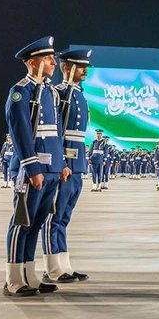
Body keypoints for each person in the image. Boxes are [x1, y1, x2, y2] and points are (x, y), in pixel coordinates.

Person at [3, 36, 65, 297]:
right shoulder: (21, 91)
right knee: (22, 223)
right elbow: (20, 133)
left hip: (51, 171)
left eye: (52, 57)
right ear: (32, 62)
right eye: (47, 58)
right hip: (33, 171)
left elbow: (56, 132)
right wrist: (31, 168)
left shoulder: (50, 92)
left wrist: (60, 164)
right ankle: (14, 279)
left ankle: (31, 275)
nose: (53, 62)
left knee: (37, 223)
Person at [43, 48, 93, 283]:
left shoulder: (79, 94)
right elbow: (56, 133)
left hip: (78, 162)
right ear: (67, 68)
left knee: (65, 215)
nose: (85, 71)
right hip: (64, 163)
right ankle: (52, 267)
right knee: (54, 214)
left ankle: (64, 264)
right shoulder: (58, 94)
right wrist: (61, 162)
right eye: (81, 67)